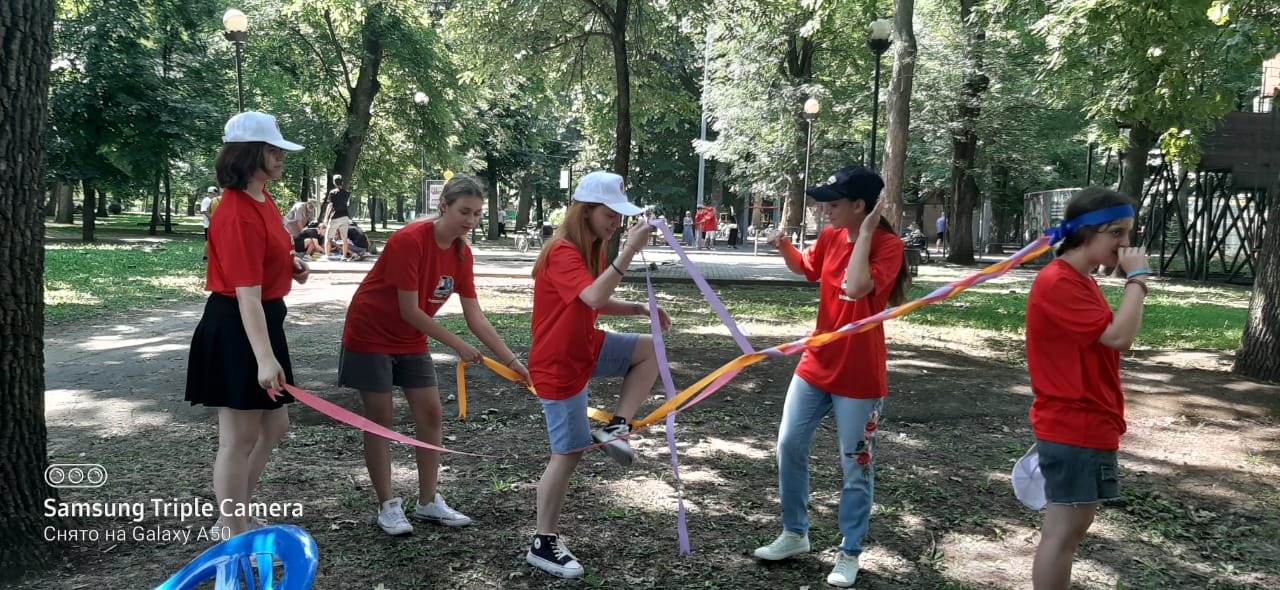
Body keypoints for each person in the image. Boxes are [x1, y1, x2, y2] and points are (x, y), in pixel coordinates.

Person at [338, 175, 529, 536]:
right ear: (443, 206)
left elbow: (475, 316)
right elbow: (410, 309)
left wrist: (513, 362)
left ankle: (428, 501)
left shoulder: (462, 254)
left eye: (477, 214)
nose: (471, 221)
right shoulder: (410, 240)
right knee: (381, 420)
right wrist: (456, 345)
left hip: (411, 339)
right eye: (464, 212)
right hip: (371, 334)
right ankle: (388, 506)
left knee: (431, 415)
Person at [755, 166, 910, 588]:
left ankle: (849, 553)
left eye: (834, 204)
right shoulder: (828, 237)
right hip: (816, 363)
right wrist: (783, 245)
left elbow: (858, 287)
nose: (825, 211)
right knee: (788, 444)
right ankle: (794, 533)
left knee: (855, 464)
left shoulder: (888, 246)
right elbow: (808, 269)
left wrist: (865, 236)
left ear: (860, 206)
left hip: (859, 375)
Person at [525, 170, 670, 579]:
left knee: (650, 348)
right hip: (558, 364)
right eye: (611, 214)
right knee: (566, 455)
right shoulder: (563, 250)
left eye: (621, 217)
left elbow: (594, 302)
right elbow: (592, 295)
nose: (617, 223)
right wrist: (628, 253)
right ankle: (543, 542)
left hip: (586, 347)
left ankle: (616, 425)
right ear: (585, 211)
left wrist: (641, 310)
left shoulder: (591, 247)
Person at [184, 111, 308, 537]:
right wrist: (264, 358)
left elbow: (268, 254)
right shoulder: (235, 210)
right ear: (247, 154)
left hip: (263, 321)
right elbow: (245, 293)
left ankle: (234, 513)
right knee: (238, 438)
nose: (279, 158)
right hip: (237, 327)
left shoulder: (264, 199)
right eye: (271, 150)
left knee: (275, 426)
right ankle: (233, 529)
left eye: (279, 150)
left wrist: (291, 264)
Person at [1025, 187, 1148, 590]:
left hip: (1085, 424)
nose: (1125, 243)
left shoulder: (1079, 280)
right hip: (1074, 425)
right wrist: (1138, 282)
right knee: (1063, 534)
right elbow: (1119, 338)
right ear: (1085, 233)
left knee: (1069, 532)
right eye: (1116, 233)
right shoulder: (1060, 281)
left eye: (1128, 233)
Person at [325, 174, 354, 260]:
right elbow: (346, 204)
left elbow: (331, 206)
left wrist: (326, 217)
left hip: (335, 216)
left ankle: (328, 255)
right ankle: (344, 256)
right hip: (345, 216)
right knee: (345, 238)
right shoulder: (347, 193)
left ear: (334, 182)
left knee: (328, 237)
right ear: (342, 182)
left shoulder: (332, 192)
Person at [200, 186, 219, 264]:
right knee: (208, 241)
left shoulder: (214, 201)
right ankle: (205, 258)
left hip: (214, 225)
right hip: (208, 225)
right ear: (210, 193)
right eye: (213, 193)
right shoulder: (206, 200)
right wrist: (211, 218)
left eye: (215, 193)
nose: (215, 195)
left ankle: (213, 257)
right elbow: (204, 211)